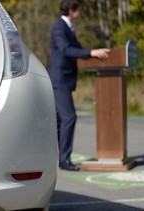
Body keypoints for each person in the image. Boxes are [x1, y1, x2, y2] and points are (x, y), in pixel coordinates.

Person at [47, 0, 110, 171]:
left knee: (61, 120)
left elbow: (78, 50)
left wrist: (95, 53)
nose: (82, 13)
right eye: (80, 10)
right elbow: (66, 50)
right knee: (69, 117)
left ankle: (59, 158)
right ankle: (64, 160)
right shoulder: (60, 27)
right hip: (59, 79)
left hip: (65, 79)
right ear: (72, 10)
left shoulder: (69, 28)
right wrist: (91, 52)